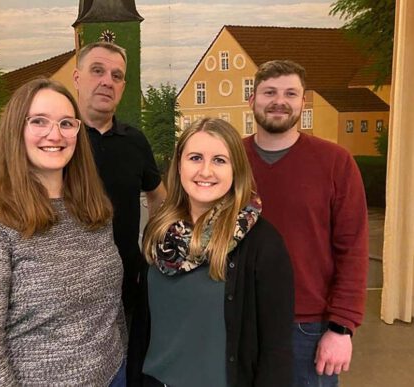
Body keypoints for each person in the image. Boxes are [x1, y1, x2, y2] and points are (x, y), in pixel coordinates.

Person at [0, 78, 126, 386]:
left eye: (66, 123)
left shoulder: (94, 207)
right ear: (16, 130)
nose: (55, 134)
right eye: (39, 121)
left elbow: (110, 307)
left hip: (113, 373)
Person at [127, 118, 295, 387]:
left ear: (236, 169)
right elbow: (142, 326)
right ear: (179, 165)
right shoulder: (159, 233)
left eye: (219, 160)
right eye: (195, 158)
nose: (205, 171)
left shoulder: (261, 244)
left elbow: (276, 351)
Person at [244, 60, 369, 387]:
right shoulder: (229, 161)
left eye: (290, 93)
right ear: (252, 99)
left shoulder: (335, 163)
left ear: (303, 102)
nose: (279, 101)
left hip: (308, 327)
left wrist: (342, 327)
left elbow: (353, 249)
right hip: (237, 319)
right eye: (269, 92)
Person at [73, 41, 167, 314]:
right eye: (97, 71)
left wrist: (152, 248)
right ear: (77, 78)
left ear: (123, 87)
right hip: (72, 288)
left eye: (116, 76)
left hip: (127, 284)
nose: (107, 82)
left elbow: (159, 196)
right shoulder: (60, 140)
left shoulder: (135, 141)